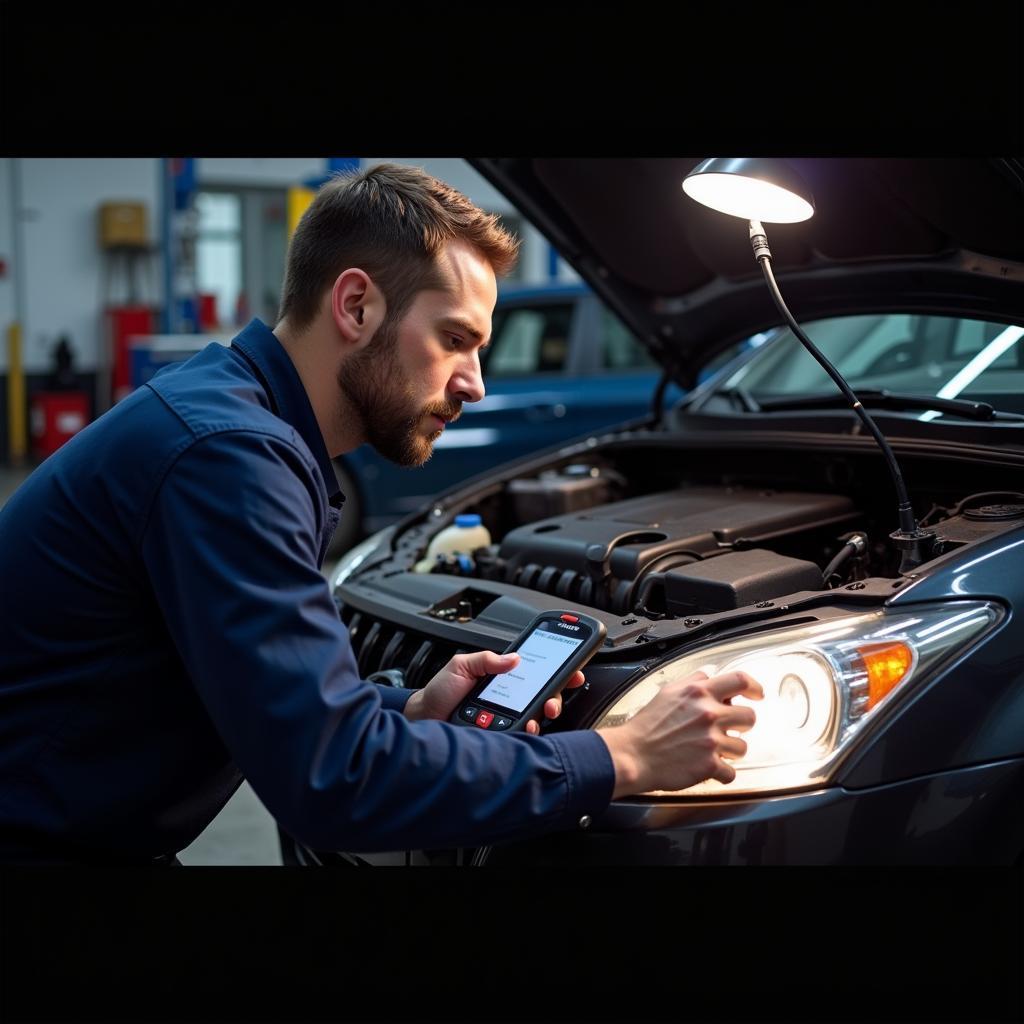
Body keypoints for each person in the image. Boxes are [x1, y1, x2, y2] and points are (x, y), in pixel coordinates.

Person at [0, 164, 762, 865]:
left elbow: (262, 695)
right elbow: (336, 780)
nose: (476, 385)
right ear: (357, 305)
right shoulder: (227, 457)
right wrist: (625, 756)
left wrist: (408, 711)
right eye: (454, 339)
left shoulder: (226, 411)